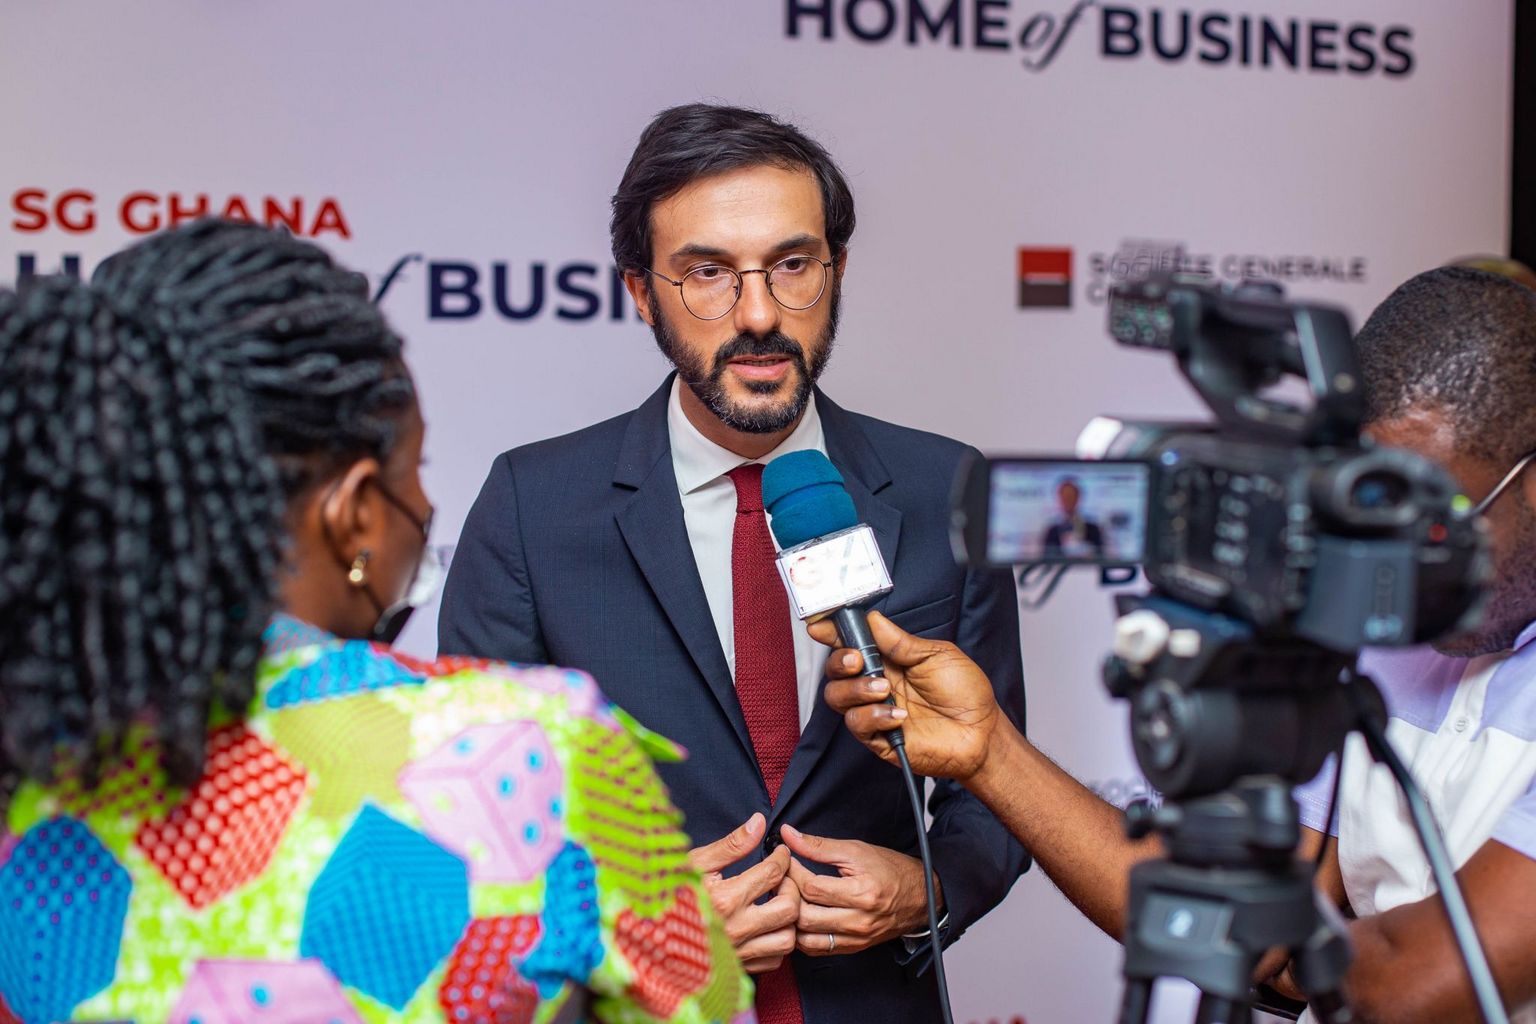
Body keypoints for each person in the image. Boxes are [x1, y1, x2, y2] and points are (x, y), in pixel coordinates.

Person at [0, 220, 752, 1024]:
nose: (424, 504)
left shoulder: (29, 763)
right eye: (413, 470)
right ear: (354, 513)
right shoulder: (531, 744)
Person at [816, 266, 1536, 1022]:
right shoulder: (1380, 625)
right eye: (1375, 506)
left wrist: (1291, 958)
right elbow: (1245, 929)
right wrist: (989, 749)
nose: (1402, 561)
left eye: (1436, 523)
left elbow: (1418, 984)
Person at [438, 103, 1029, 1024]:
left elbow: (999, 784)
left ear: (836, 270)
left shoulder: (944, 490)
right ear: (642, 293)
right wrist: (632, 931)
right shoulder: (532, 506)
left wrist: (932, 888)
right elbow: (469, 827)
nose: (759, 315)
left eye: (792, 265)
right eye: (708, 273)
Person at [1040, 477, 1104, 558]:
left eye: (1071, 496)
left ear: (1078, 498)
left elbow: (1100, 556)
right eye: (1065, 497)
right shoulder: (1052, 531)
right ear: (1059, 499)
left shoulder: (1093, 529)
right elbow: (1047, 558)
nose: (1068, 500)